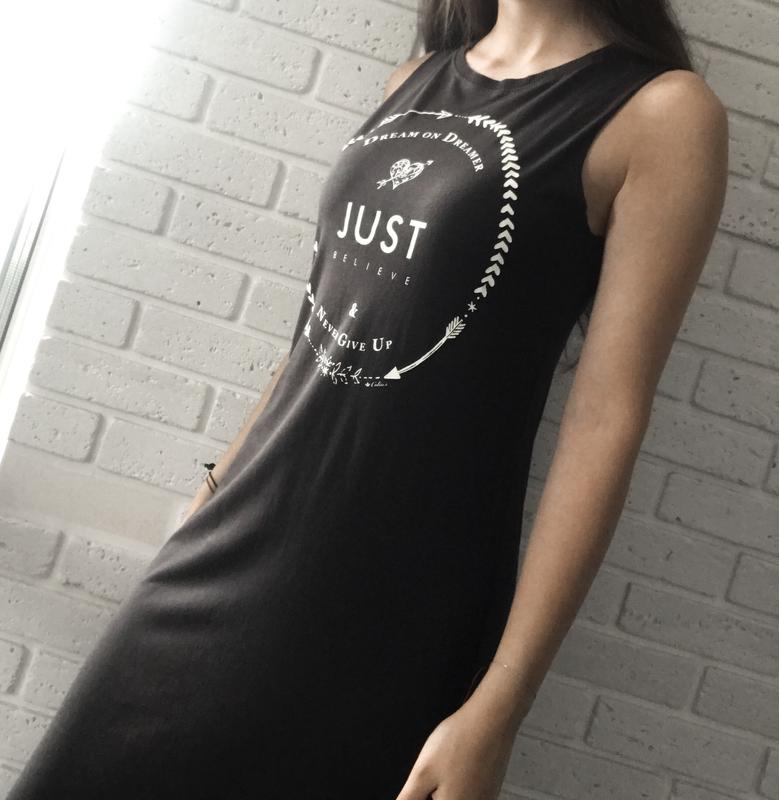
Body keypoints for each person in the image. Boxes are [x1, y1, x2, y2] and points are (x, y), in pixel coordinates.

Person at [7, 0, 727, 798]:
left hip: (395, 605)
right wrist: (209, 497)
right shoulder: (414, 81)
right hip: (230, 547)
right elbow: (316, 335)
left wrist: (499, 707)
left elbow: (604, 421)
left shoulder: (660, 114)